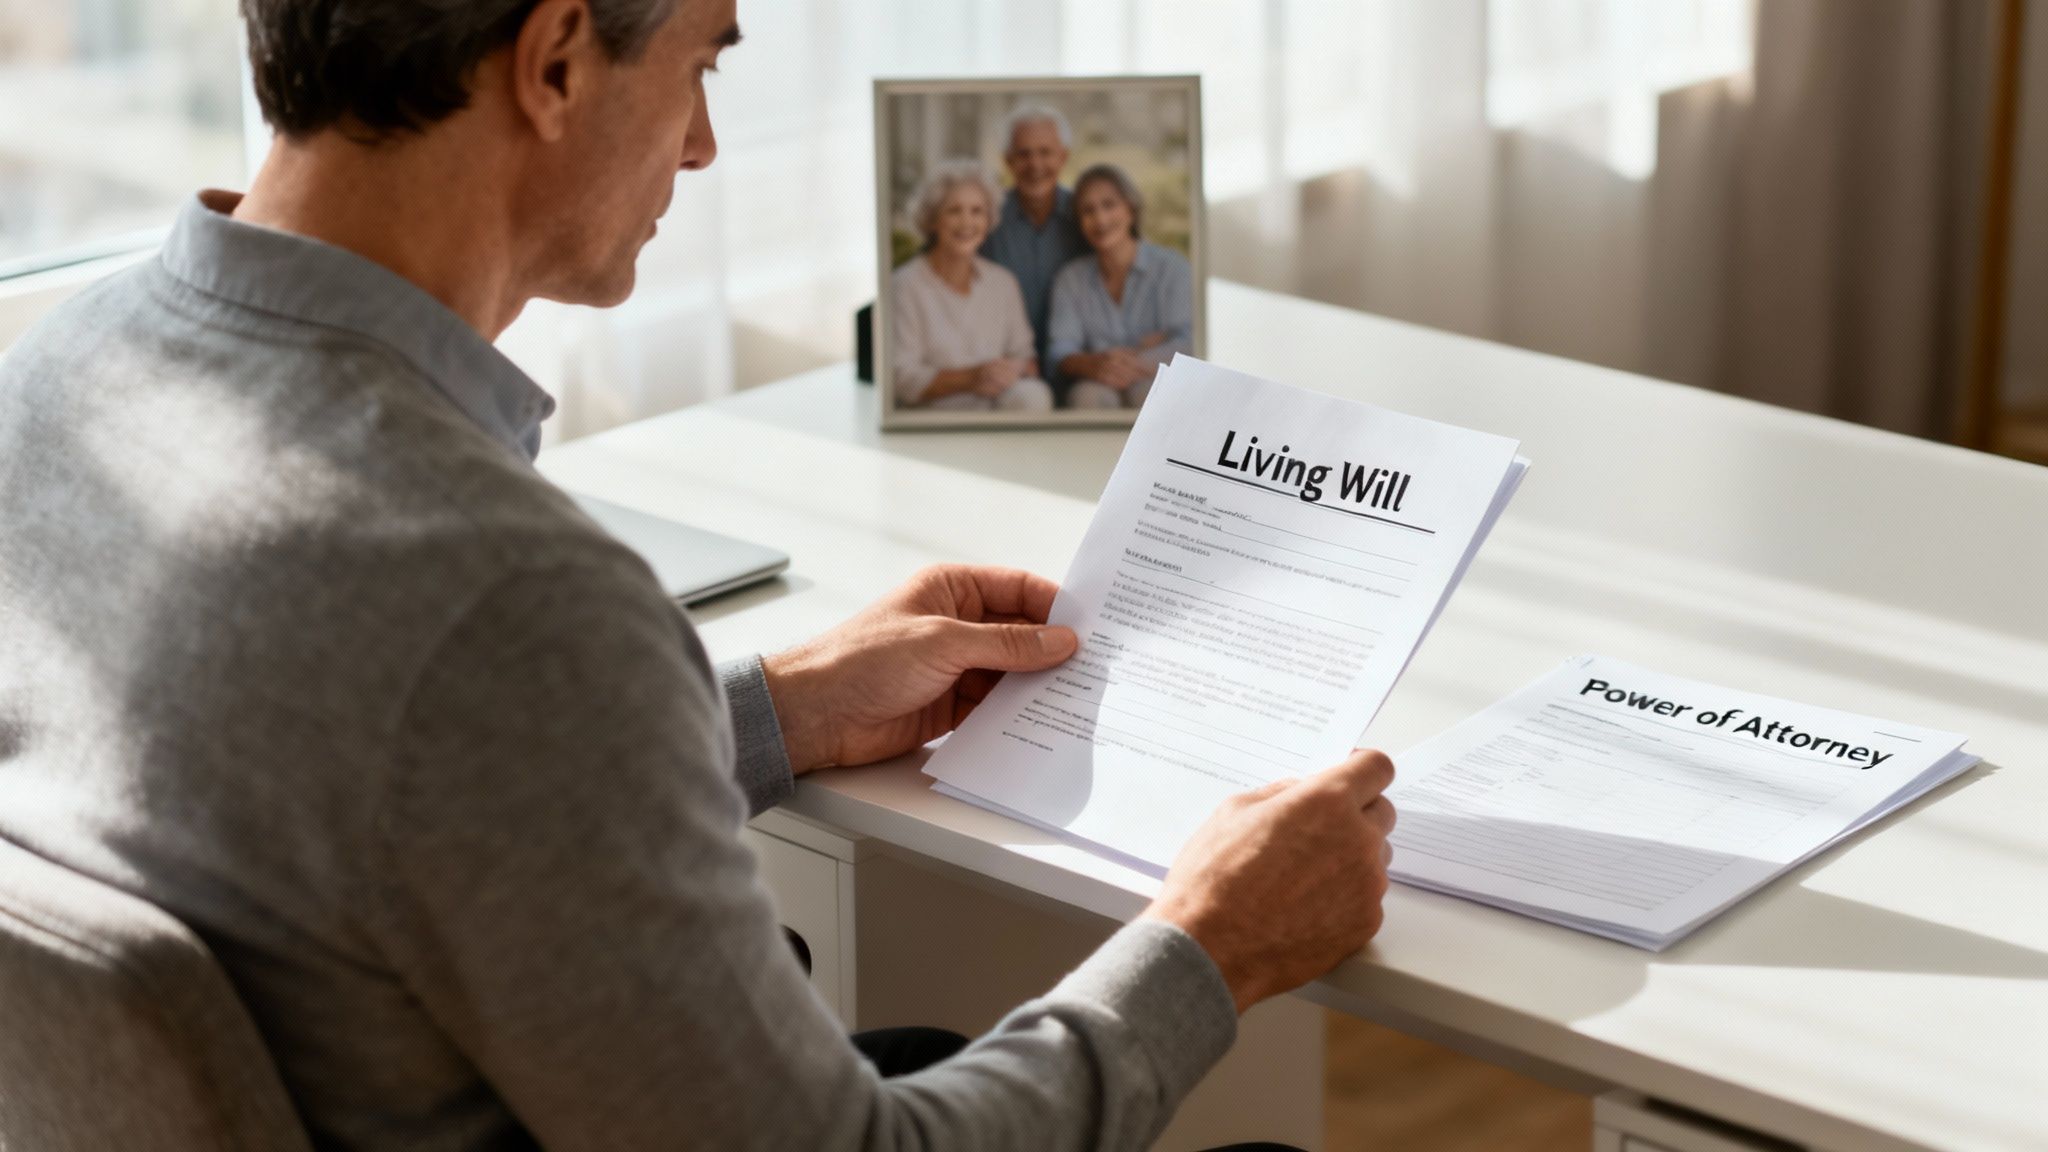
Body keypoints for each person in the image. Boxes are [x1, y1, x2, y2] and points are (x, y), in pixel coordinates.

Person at [0, 1, 1396, 1149]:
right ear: (554, 63)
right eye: (702, 65)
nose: (711, 144)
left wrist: (776, 708)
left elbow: (384, 797)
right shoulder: (500, 599)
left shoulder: (59, 378)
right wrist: (1215, 942)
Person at [890, 160, 1051, 412]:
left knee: (1034, 395)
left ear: (988, 221)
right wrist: (970, 378)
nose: (967, 222)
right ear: (932, 219)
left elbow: (1025, 357)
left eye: (977, 211)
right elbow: (901, 378)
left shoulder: (1003, 282)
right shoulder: (905, 285)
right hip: (933, 418)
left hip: (996, 410)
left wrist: (1010, 370)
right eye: (954, 211)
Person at [1047, 163, 1196, 411]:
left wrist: (1135, 362)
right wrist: (1094, 363)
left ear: (1130, 208)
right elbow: (1059, 349)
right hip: (1096, 382)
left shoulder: (1172, 268)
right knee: (1087, 396)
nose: (1100, 219)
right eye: (1088, 211)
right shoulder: (1070, 279)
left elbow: (1189, 339)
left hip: (1156, 375)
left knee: (1149, 391)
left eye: (1109, 205)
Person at [979, 103, 1089, 387]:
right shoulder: (984, 219)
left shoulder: (1088, 215)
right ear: (1007, 161)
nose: (1035, 165)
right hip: (1008, 373)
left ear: (1063, 157)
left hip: (1078, 370)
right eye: (1023, 154)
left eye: (1045, 152)